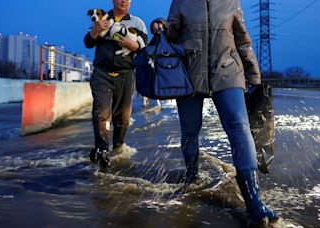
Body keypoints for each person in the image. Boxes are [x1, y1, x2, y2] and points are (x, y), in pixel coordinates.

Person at [151, 0, 278, 225]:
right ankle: (192, 176)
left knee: (240, 128)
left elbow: (242, 40)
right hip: (189, 76)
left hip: (228, 71)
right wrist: (164, 28)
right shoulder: (181, 2)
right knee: (190, 130)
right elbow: (171, 37)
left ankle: (253, 200)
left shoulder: (231, 1)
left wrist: (255, 77)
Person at [84, 0, 148, 171]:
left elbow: (144, 49)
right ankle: (102, 149)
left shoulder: (137, 23)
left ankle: (118, 147)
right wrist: (96, 30)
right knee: (101, 112)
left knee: (123, 116)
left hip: (126, 74)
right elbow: (88, 43)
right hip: (102, 73)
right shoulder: (102, 18)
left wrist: (130, 44)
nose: (123, 1)